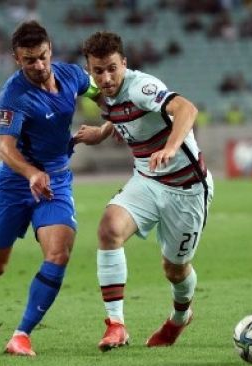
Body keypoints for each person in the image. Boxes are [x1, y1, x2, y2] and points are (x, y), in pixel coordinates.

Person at [0, 21, 98, 357]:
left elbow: (103, 91)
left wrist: (108, 125)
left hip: (55, 180)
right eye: (28, 61)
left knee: (59, 252)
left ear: (50, 49)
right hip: (15, 182)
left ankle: (21, 334)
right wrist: (30, 172)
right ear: (16, 59)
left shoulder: (71, 76)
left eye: (41, 57)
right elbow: (5, 149)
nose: (37, 66)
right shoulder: (14, 94)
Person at [75, 31, 214, 352]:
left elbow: (187, 110)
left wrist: (171, 146)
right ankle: (116, 325)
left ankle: (180, 317)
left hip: (186, 187)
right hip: (147, 180)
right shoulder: (97, 90)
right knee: (109, 229)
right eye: (98, 70)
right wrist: (101, 131)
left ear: (124, 63)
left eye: (112, 68)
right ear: (90, 69)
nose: (106, 77)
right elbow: (117, 111)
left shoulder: (141, 86)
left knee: (174, 269)